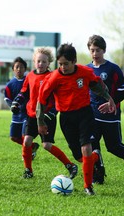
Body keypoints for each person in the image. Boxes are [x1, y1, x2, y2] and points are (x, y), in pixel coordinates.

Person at [36, 43, 116, 195]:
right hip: (66, 118)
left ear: (74, 61)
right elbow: (41, 100)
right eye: (60, 64)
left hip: (85, 114)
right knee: (79, 157)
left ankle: (88, 186)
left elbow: (97, 85)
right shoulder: (53, 78)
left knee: (85, 147)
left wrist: (109, 98)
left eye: (66, 64)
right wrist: (40, 122)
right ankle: (95, 157)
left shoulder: (85, 72)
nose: (63, 67)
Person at [86, 35, 124, 184]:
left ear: (104, 50)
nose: (95, 54)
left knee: (113, 147)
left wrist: (111, 103)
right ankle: (98, 176)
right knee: (92, 144)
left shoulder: (113, 69)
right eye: (92, 50)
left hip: (110, 115)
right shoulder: (86, 69)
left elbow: (123, 90)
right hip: (92, 114)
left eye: (98, 50)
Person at [12, 47, 78, 180]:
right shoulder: (30, 76)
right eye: (38, 61)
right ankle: (28, 170)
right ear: (34, 61)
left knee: (46, 145)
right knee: (27, 141)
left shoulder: (53, 76)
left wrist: (53, 112)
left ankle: (70, 165)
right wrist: (16, 102)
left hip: (46, 116)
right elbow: (24, 92)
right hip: (32, 115)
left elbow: (58, 97)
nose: (40, 64)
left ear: (49, 63)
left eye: (44, 62)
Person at [4, 57, 39, 160]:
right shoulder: (10, 84)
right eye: (17, 67)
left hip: (27, 113)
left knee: (25, 136)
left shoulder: (28, 81)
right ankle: (32, 147)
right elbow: (7, 98)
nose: (19, 69)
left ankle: (27, 155)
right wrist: (12, 107)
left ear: (25, 69)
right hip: (16, 115)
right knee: (14, 137)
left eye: (22, 67)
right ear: (13, 69)